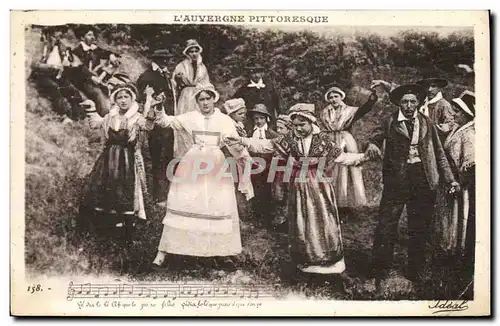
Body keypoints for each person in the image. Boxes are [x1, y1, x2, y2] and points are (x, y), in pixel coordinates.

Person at [227, 103, 368, 285]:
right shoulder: (291, 139)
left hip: (320, 187)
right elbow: (267, 145)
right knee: (302, 222)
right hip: (299, 187)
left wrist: (363, 157)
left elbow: (341, 157)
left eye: (302, 124)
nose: (299, 128)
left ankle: (332, 266)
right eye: (296, 125)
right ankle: (306, 266)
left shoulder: (322, 140)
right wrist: (242, 140)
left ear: (311, 122)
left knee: (324, 221)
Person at [150, 84, 254, 270]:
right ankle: (168, 250)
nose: (205, 103)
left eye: (208, 98)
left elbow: (235, 145)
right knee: (187, 203)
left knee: (217, 205)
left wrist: (244, 161)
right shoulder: (190, 117)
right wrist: (159, 107)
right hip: (192, 164)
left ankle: (222, 252)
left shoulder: (224, 120)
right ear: (196, 101)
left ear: (214, 99)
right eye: (201, 99)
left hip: (216, 164)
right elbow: (166, 121)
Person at [365, 84, 459, 286]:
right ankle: (379, 268)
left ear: (418, 103)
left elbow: (439, 153)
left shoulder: (426, 122)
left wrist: (450, 179)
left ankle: (415, 269)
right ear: (399, 103)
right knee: (387, 224)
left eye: (413, 102)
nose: (408, 106)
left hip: (423, 179)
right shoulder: (390, 121)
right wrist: (372, 143)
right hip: (396, 180)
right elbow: (375, 134)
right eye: (405, 102)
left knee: (420, 226)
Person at [78, 83, 153, 244]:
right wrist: (91, 110)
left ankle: (126, 233)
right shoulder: (110, 117)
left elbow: (148, 126)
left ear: (132, 99)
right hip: (109, 159)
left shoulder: (137, 118)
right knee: (103, 186)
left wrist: (151, 105)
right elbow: (96, 125)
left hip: (128, 159)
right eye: (120, 97)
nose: (123, 100)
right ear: (115, 100)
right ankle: (105, 227)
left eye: (126, 97)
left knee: (125, 190)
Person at [431, 90, 475, 298]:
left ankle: (457, 257)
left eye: (457, 111)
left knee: (459, 219)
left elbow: (470, 164)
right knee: (446, 218)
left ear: (467, 113)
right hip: (448, 181)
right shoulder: (458, 128)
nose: (454, 113)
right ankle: (447, 253)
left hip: (459, 184)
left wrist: (458, 181)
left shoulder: (469, 134)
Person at [317, 86, 378, 218]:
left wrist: (371, 100)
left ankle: (346, 204)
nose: (334, 100)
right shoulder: (324, 113)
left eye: (336, 96)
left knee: (347, 169)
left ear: (341, 97)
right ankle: (332, 203)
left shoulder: (349, 111)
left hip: (345, 139)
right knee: (332, 170)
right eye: (331, 97)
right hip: (330, 139)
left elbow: (363, 110)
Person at [136, 49, 176, 205]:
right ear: (155, 60)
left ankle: (167, 192)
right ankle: (159, 196)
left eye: (167, 59)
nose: (165, 62)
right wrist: (153, 99)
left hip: (167, 120)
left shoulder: (165, 75)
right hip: (155, 122)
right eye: (161, 59)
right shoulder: (147, 76)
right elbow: (143, 97)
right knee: (158, 158)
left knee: (167, 156)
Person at [68, 25, 120, 117]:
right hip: (82, 79)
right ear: (82, 38)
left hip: (95, 77)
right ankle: (106, 117)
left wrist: (111, 55)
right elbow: (80, 68)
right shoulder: (77, 51)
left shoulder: (94, 48)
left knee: (112, 88)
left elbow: (104, 52)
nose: (93, 37)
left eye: (93, 35)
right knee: (97, 92)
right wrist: (92, 77)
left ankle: (118, 113)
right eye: (89, 35)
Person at [171, 39, 210, 158]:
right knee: (184, 122)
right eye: (191, 51)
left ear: (199, 52)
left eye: (196, 51)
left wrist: (203, 93)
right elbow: (173, 83)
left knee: (198, 122)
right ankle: (183, 154)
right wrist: (177, 81)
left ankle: (199, 152)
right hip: (185, 96)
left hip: (198, 95)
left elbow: (207, 83)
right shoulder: (181, 66)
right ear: (187, 53)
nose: (194, 54)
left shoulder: (202, 67)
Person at [247, 104, 280, 225]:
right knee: (257, 189)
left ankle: (269, 217)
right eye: (256, 118)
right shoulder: (250, 133)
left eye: (261, 118)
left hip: (269, 165)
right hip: (255, 165)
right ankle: (258, 216)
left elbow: (277, 149)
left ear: (267, 118)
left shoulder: (272, 134)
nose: (259, 121)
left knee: (269, 189)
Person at [232, 63, 280, 130]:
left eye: (259, 72)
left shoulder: (269, 86)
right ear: (249, 74)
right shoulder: (244, 89)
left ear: (262, 73)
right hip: (251, 122)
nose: (256, 75)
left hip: (269, 122)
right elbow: (233, 104)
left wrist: (278, 118)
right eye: (253, 73)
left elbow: (277, 104)